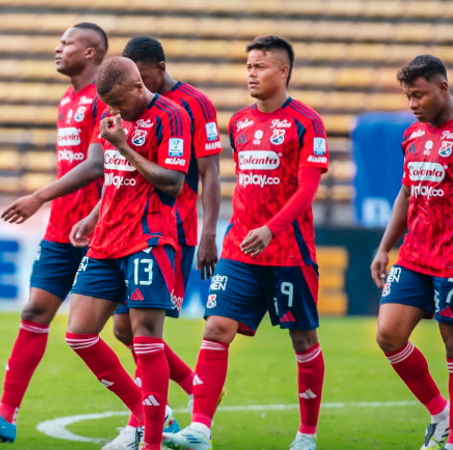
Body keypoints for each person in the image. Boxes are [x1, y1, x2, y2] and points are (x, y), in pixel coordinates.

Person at [167, 35, 329, 450]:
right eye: (248, 66)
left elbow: (306, 190)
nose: (251, 74)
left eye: (260, 66)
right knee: (216, 327)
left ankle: (307, 436)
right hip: (240, 248)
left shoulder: (307, 121)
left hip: (288, 251)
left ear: (283, 71)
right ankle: (200, 428)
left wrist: (272, 228)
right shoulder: (238, 122)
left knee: (303, 340)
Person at [0, 22, 109, 444]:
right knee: (34, 312)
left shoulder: (104, 99)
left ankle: (173, 402)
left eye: (66, 43)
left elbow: (98, 165)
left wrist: (38, 196)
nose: (57, 49)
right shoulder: (67, 99)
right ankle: (5, 415)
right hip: (63, 229)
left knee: (128, 331)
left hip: (102, 229)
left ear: (91, 53)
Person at [94, 35, 224, 449]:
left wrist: (207, 232)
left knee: (143, 329)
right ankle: (191, 385)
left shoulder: (192, 105)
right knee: (123, 329)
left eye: (143, 76)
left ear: (156, 71)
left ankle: (144, 425)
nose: (140, 86)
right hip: (125, 230)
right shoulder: (126, 109)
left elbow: (210, 172)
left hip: (172, 230)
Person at [370, 55, 453, 450]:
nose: (412, 104)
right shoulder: (412, 136)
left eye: (418, 95)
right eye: (408, 96)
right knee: (388, 335)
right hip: (413, 255)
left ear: (442, 88)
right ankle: (440, 414)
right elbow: (406, 193)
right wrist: (384, 247)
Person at [65, 56, 191, 450]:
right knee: (79, 334)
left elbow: (171, 182)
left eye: (120, 103)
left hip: (149, 239)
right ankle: (151, 411)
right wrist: (93, 215)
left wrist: (124, 145)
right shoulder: (114, 113)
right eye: (111, 105)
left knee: (145, 338)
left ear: (139, 86)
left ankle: (151, 442)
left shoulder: (172, 117)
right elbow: (118, 176)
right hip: (106, 238)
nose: (116, 111)